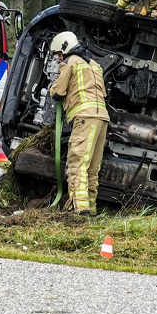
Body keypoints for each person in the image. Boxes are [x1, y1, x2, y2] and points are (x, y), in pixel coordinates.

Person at [48, 31, 109, 215]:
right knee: (92, 168)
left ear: (65, 48)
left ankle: (79, 209)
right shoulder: (95, 65)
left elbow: (58, 92)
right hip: (102, 118)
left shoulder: (70, 63)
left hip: (84, 117)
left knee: (77, 163)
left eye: (59, 54)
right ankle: (91, 208)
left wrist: (52, 87)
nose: (59, 58)